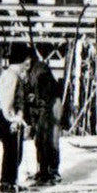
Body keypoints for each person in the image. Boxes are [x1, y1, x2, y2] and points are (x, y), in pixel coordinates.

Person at [0, 46, 31, 192]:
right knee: (12, 151)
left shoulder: (11, 74)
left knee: (14, 151)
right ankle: (7, 181)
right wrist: (12, 118)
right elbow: (7, 98)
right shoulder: (12, 76)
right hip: (11, 118)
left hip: (11, 116)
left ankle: (11, 180)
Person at [24, 52, 61, 185]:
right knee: (40, 139)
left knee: (50, 138)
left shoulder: (41, 70)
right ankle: (43, 170)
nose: (26, 62)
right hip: (41, 106)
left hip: (51, 104)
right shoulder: (28, 72)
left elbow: (44, 92)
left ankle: (52, 171)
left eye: (28, 59)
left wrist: (37, 100)